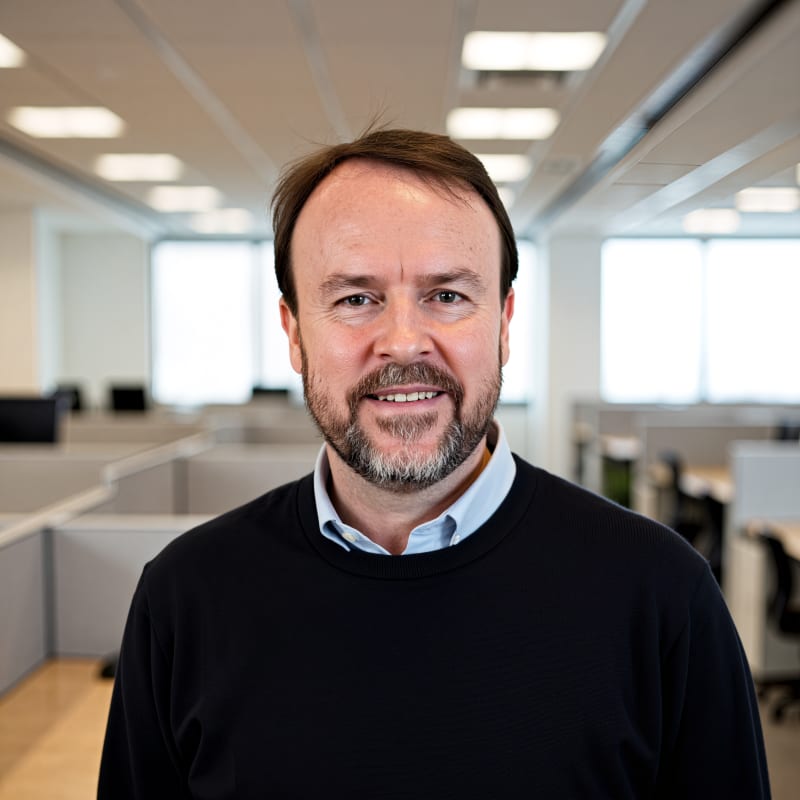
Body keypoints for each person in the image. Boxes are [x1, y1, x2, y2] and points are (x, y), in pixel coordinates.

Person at [98, 128, 770, 798]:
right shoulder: (186, 598)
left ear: (504, 324)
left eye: (447, 295)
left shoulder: (661, 595)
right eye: (355, 298)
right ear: (294, 334)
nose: (402, 342)